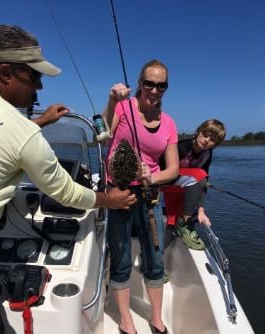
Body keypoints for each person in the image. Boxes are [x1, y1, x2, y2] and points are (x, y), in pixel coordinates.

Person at [0, 24, 136, 334]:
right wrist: (110, 199)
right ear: (4, 72)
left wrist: (40, 121)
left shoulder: (18, 126)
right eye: (34, 76)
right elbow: (65, 192)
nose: (39, 88)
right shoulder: (22, 132)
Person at [102, 60, 179, 334]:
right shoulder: (122, 108)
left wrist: (152, 177)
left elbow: (173, 169)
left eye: (161, 85)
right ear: (139, 83)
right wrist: (112, 100)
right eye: (149, 83)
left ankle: (156, 318)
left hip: (150, 195)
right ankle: (126, 320)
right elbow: (104, 134)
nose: (154, 90)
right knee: (120, 256)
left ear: (165, 89)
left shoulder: (169, 123)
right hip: (119, 191)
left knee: (155, 258)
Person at [163, 119, 226, 250]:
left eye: (212, 140)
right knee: (198, 177)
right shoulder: (182, 147)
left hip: (184, 184)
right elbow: (165, 170)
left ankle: (160, 261)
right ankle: (185, 222)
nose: (207, 140)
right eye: (205, 134)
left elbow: (204, 181)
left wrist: (201, 210)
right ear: (198, 131)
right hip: (164, 182)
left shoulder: (207, 153)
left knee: (172, 220)